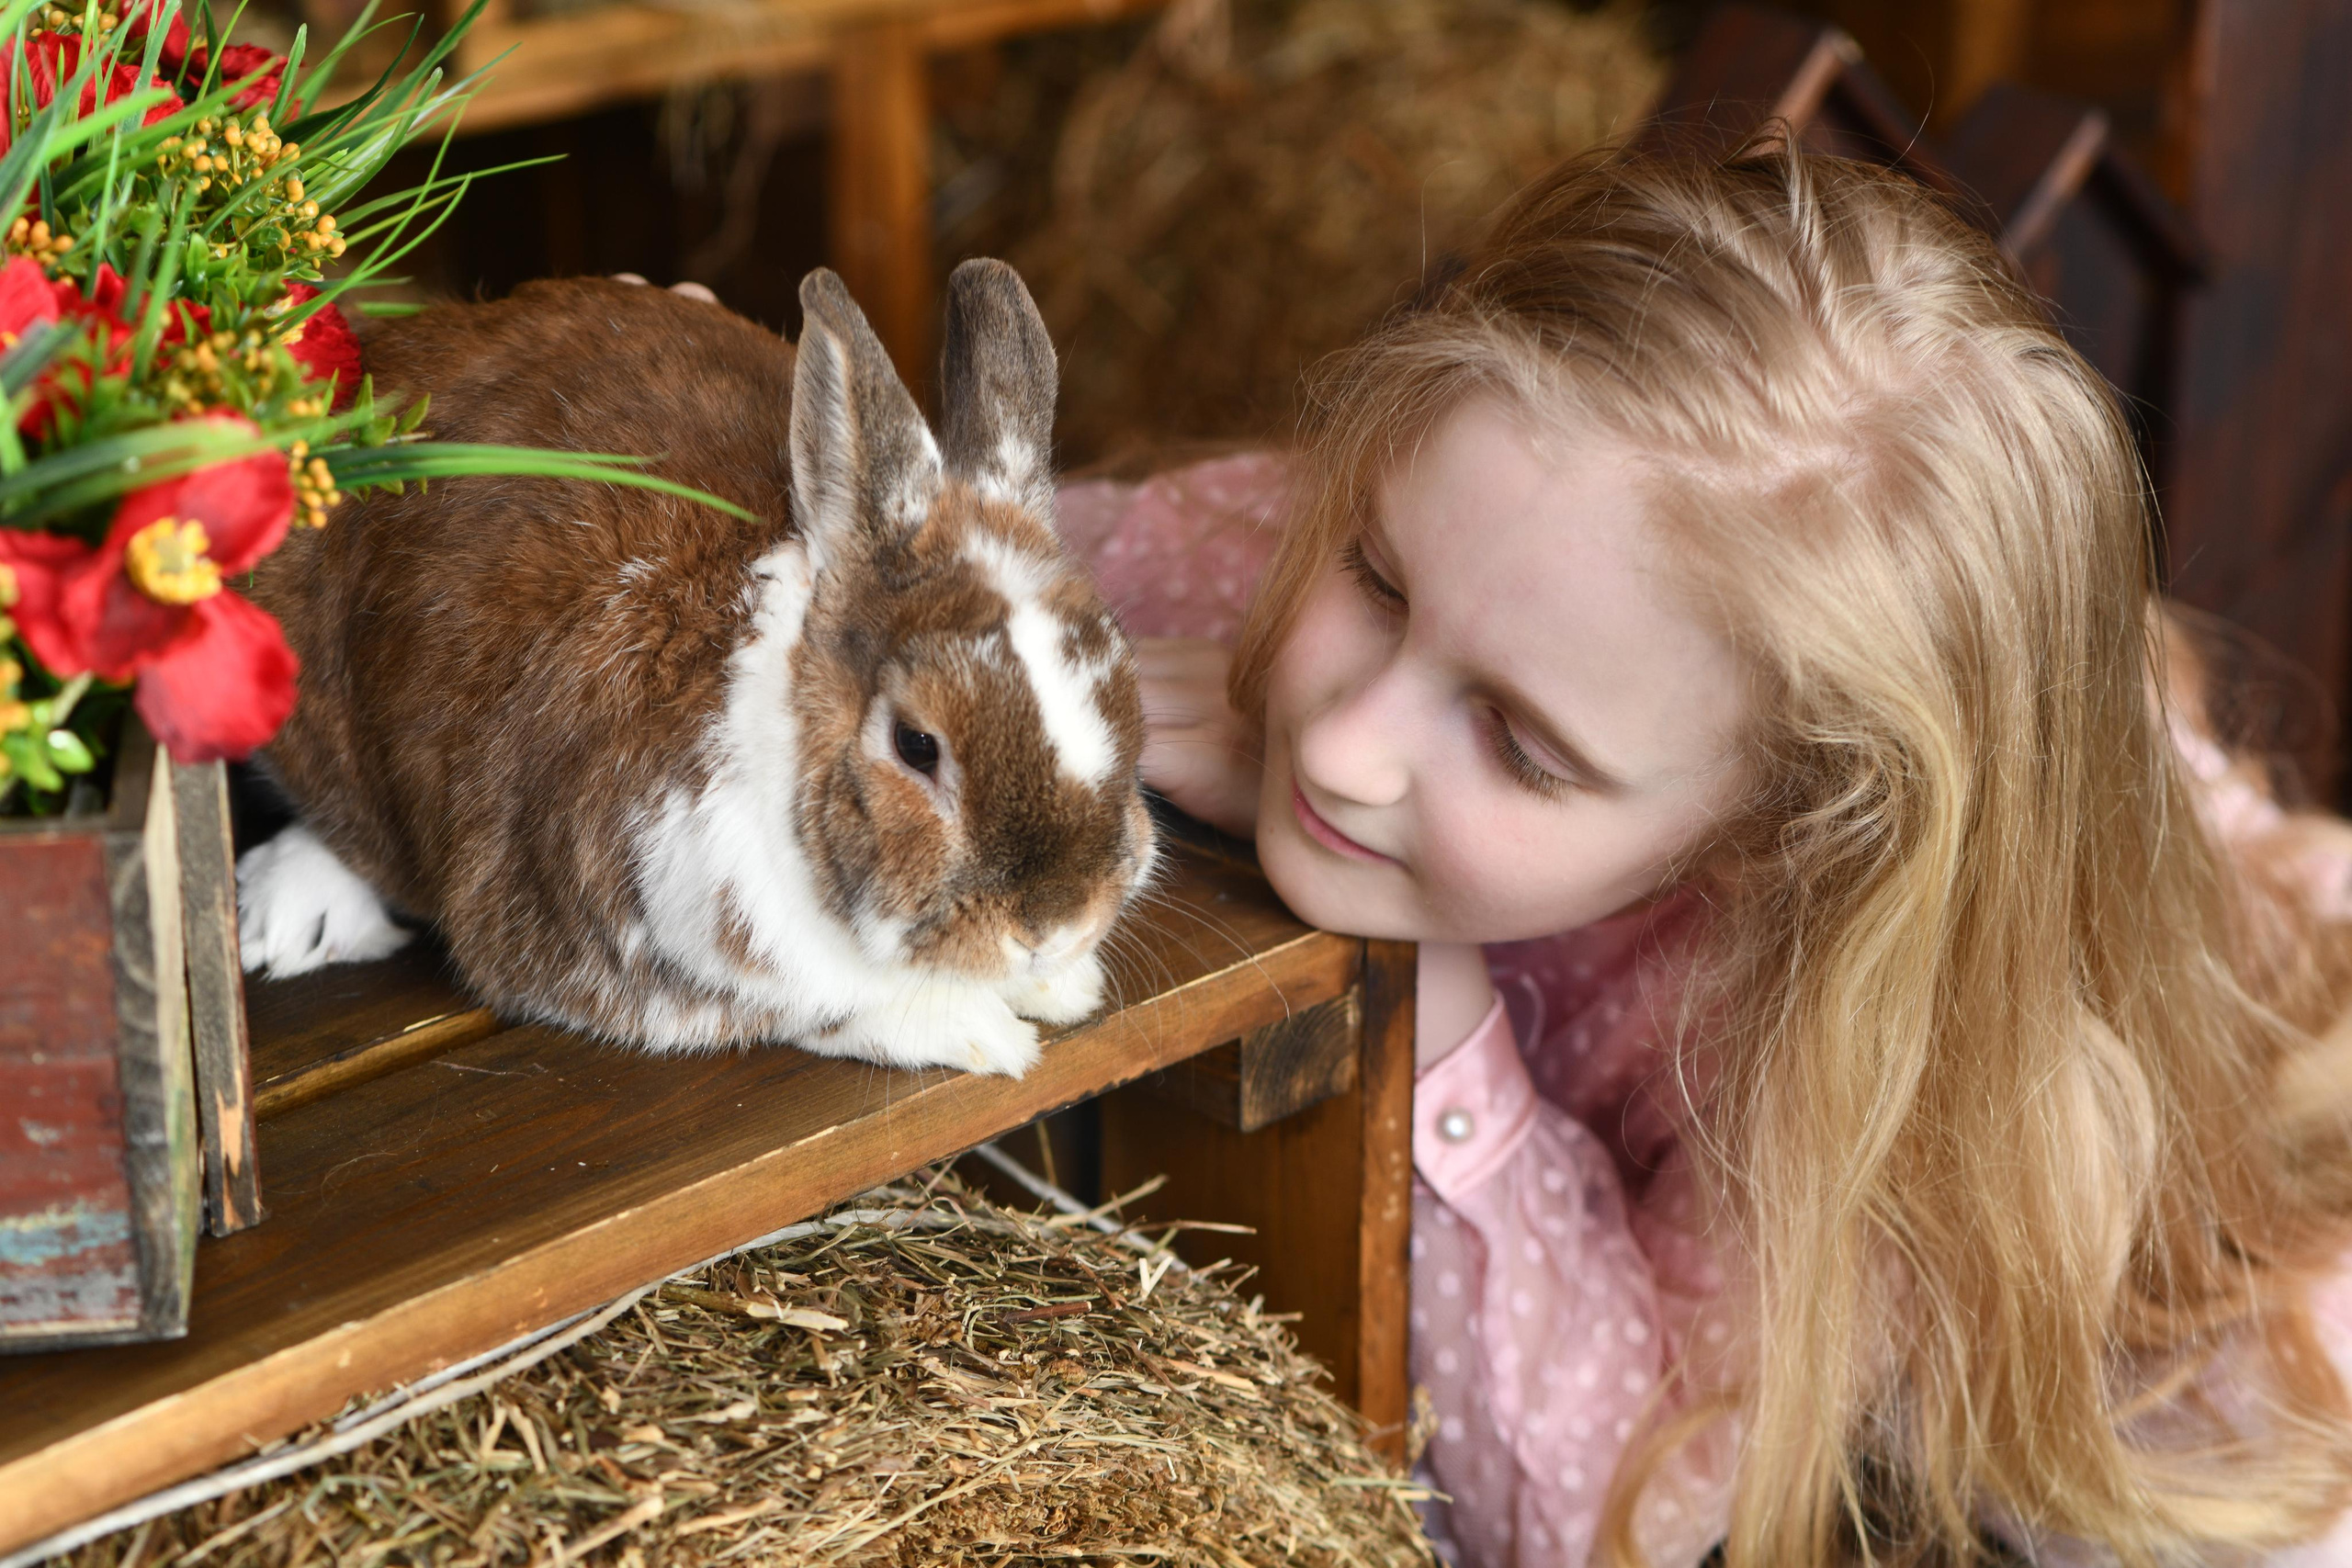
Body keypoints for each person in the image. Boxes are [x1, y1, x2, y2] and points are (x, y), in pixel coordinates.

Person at [1062, 139, 2352, 1566]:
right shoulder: (1434, 545)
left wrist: (1430, 1003)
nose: (1344, 745)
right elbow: (895, 585)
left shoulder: (1863, 1037)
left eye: (1524, 747)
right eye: (1376, 578)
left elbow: (1598, 1510)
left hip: (2211, 1072)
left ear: (1775, 831)